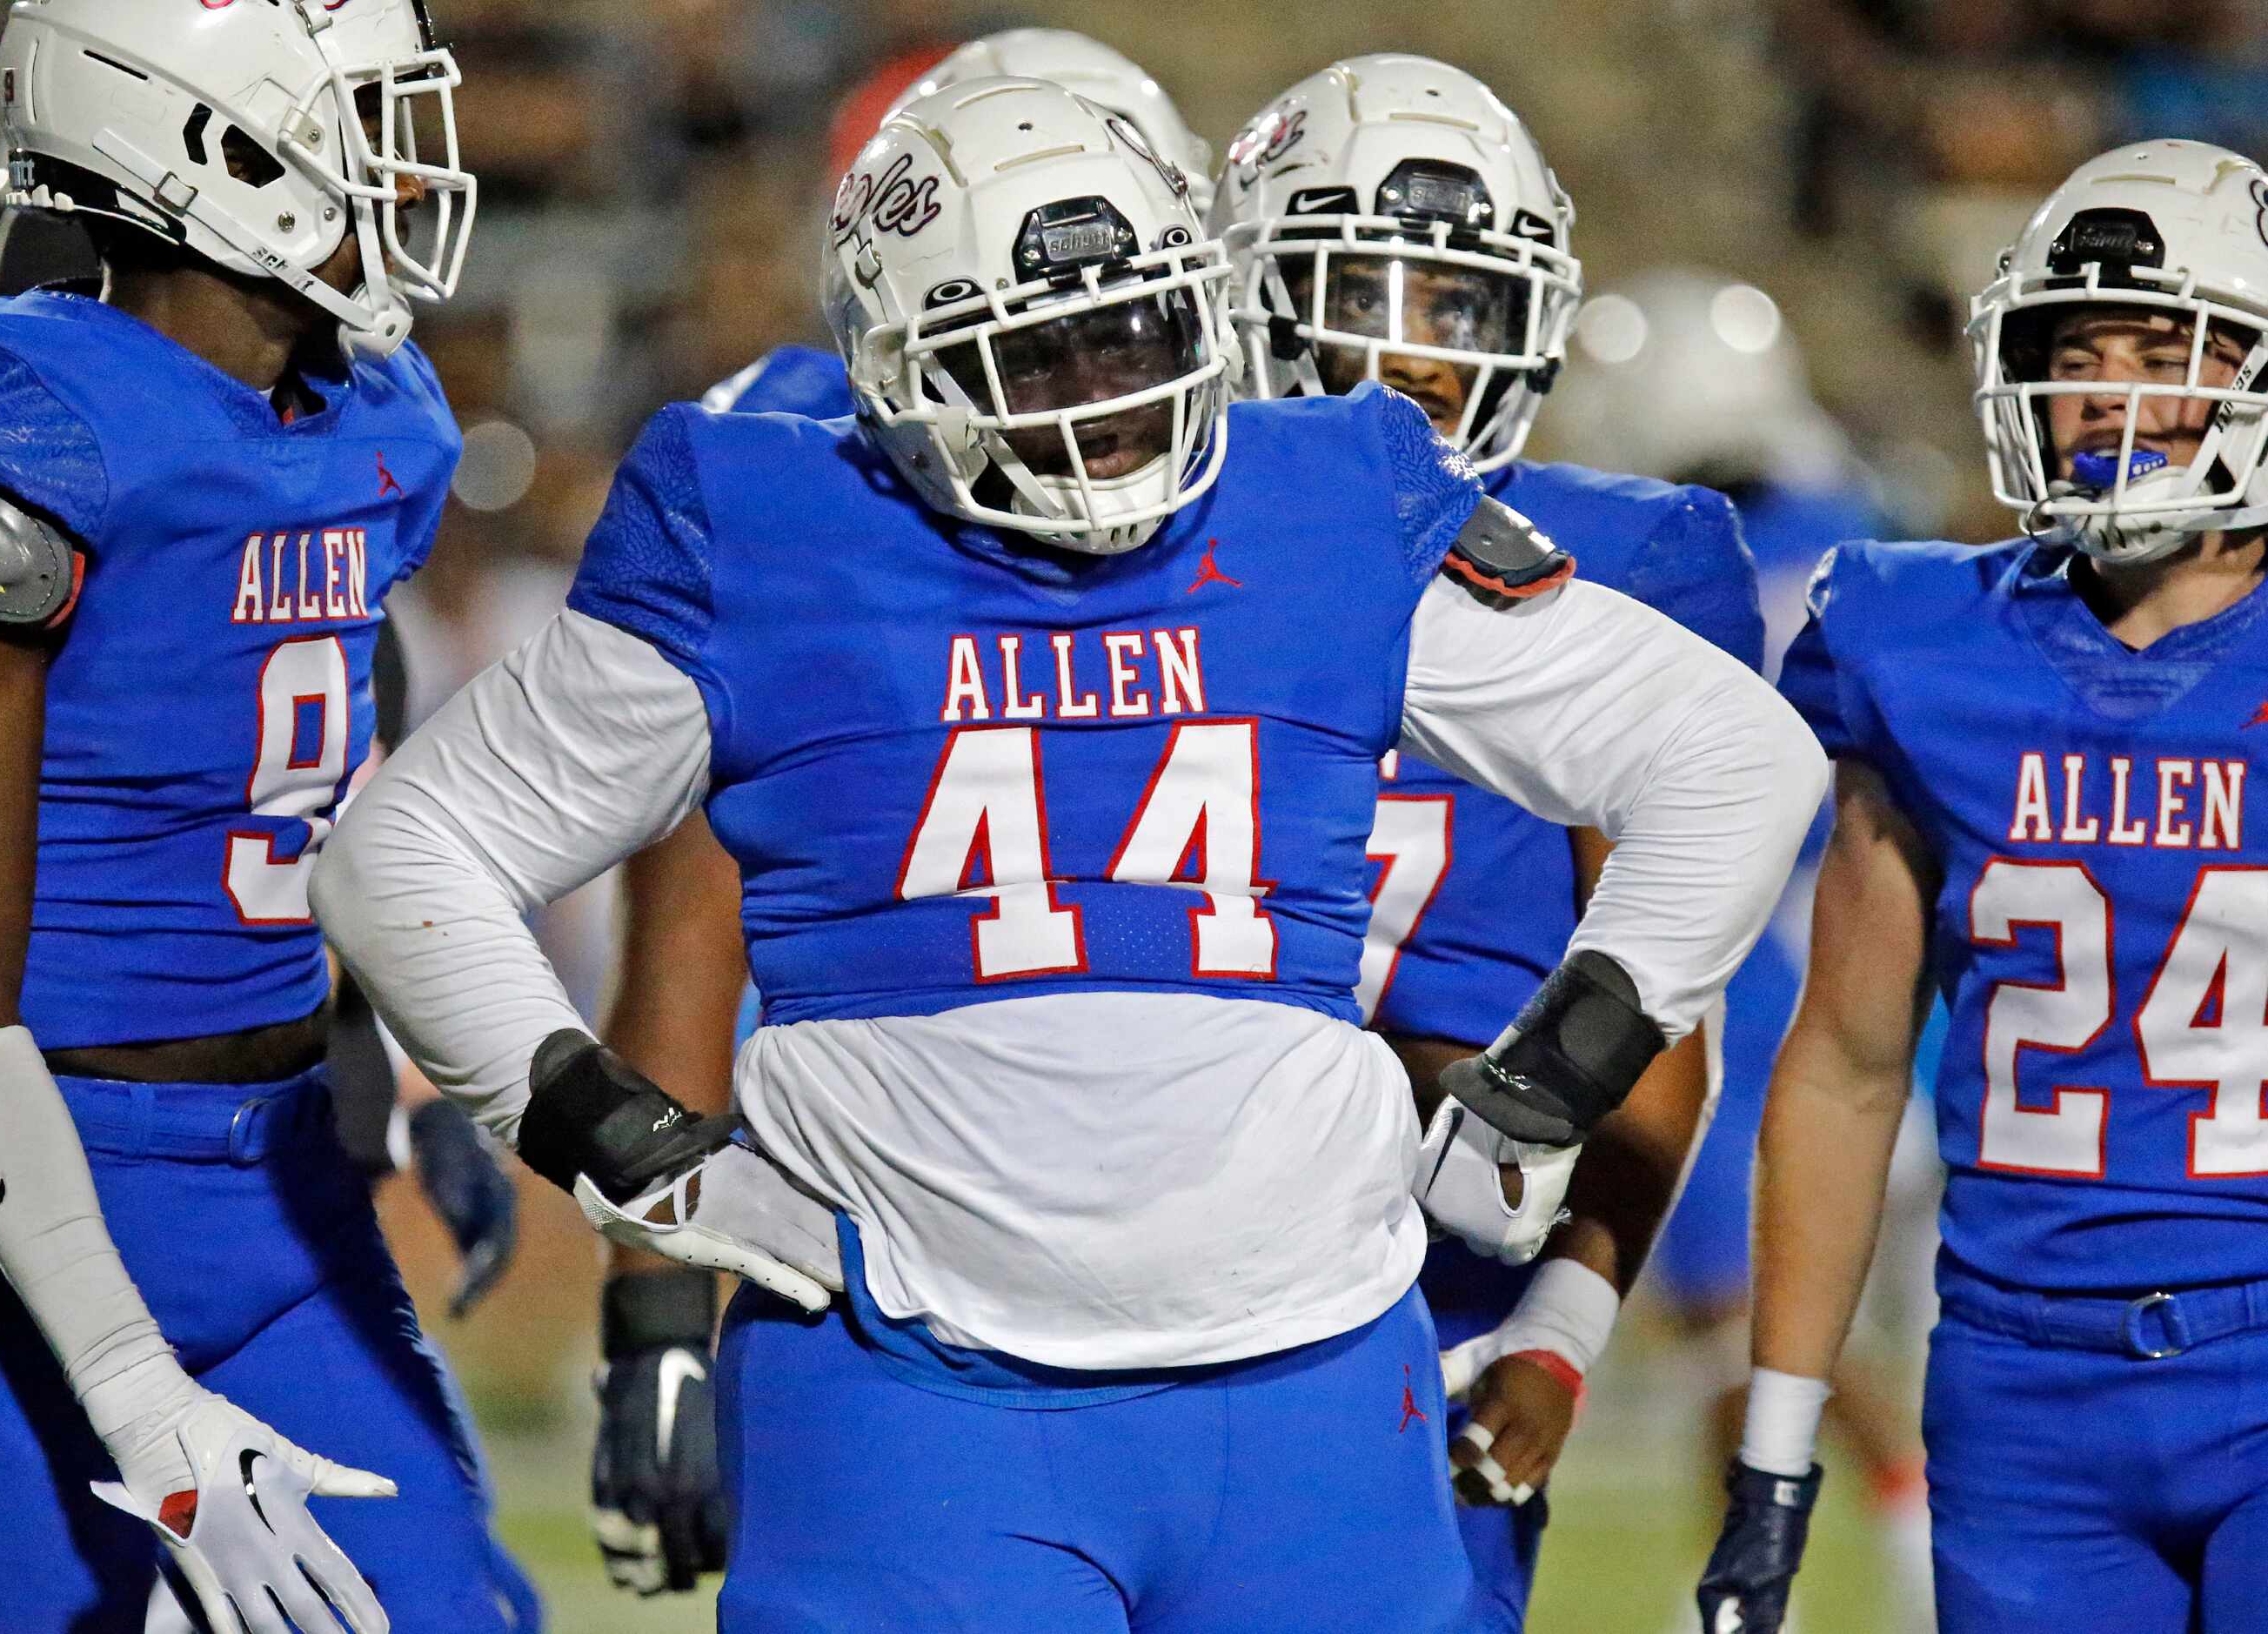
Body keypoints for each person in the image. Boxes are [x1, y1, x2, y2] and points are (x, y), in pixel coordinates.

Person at [318, 77, 1824, 1632]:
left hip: (1310, 1376)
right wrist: (616, 1142)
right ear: (904, 370)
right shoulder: (772, 514)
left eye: (1142, 332)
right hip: (915, 1388)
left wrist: (1550, 1076)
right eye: (1038, 353)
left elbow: (1730, 758)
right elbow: (405, 853)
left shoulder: (1322, 495)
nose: (1102, 395)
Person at [0, 3, 535, 1630]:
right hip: (27, 1206)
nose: (402, 170)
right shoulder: (16, 421)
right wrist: (136, 1396)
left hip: (284, 1183)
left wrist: (392, 1056)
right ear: (206, 146)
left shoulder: (374, 417)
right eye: (353, 122)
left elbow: (337, 723)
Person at [585, 28, 1219, 1598]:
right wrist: (656, 1315)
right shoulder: (798, 471)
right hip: (919, 1257)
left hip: (1239, 1238)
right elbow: (694, 891)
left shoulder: (1270, 465)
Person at [1210, 56, 1762, 1628]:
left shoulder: (1627, 566)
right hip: (1093, 1259)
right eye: (1359, 291)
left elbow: (1664, 1003)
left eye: (1454, 304)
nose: (1412, 352)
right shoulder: (1120, 548)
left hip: (1425, 1296)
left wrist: (1565, 1320)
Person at [1699, 138, 2268, 1633]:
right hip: (2021, 1382)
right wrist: (1773, 1448)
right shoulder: (1926, 648)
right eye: (2075, 352)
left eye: (2164, 350)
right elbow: (1843, 1059)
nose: (2107, 392)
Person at [1557, 266, 1940, 1634]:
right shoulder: (1861, 536)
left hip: (1756, 1004)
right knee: (1752, 1347)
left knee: (1763, 1339)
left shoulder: (1670, 572)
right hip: (1883, 1000)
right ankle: (1727, 1596)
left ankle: (1866, 1568)